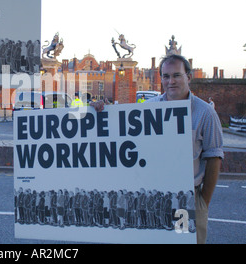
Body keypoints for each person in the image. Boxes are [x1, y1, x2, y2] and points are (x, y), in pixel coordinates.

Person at [89, 54, 223, 244]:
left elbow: (214, 157)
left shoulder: (205, 113)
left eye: (177, 75)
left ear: (189, 77)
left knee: (183, 242)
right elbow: (121, 136)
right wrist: (100, 113)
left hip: (186, 199)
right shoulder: (148, 109)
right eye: (166, 76)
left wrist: (202, 201)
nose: (171, 81)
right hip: (154, 198)